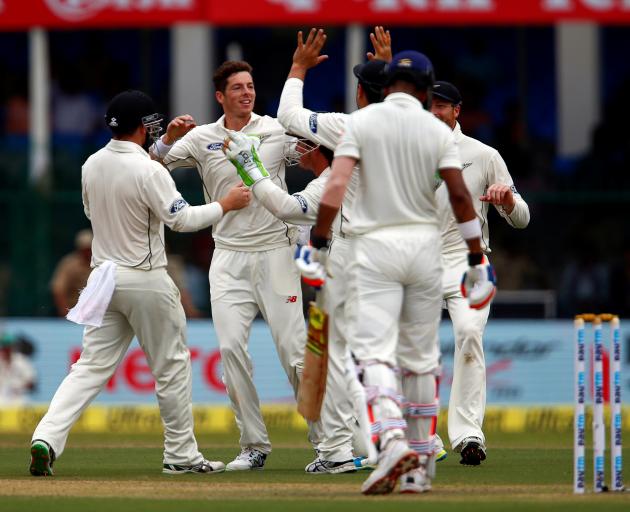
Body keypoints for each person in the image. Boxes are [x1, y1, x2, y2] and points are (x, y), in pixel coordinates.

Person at [300, 51, 495, 495]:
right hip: (426, 251)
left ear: (385, 87)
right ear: (427, 90)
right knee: (420, 358)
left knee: (371, 354)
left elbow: (334, 186)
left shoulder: (362, 125)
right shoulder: (435, 129)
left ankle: (390, 440)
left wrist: (317, 242)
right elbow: (462, 199)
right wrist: (475, 257)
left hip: (376, 248)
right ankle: (420, 464)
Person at [29, 89, 250, 477]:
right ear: (142, 126)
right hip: (145, 277)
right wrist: (225, 204)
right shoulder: (151, 170)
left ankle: (45, 437)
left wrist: (165, 146)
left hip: (103, 279)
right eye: (152, 124)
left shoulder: (91, 164)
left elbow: (91, 209)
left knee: (89, 368)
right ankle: (181, 456)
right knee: (171, 367)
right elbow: (181, 220)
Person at [150, 61, 317, 471]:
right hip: (227, 256)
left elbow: (317, 154)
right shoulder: (203, 136)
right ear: (220, 96)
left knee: (294, 353)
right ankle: (253, 445)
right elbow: (150, 168)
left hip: (276, 252)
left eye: (251, 86)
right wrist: (167, 141)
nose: (247, 93)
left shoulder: (275, 129)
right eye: (237, 88)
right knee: (229, 350)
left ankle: (327, 443)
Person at [275, 27, 391, 473]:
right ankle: (400, 440)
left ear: (360, 92)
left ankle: (340, 451)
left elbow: (288, 115)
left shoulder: (350, 126)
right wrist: (392, 66)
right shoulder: (418, 129)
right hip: (396, 255)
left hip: (350, 253)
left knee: (335, 351)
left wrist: (298, 68)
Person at [430, 81, 530, 465]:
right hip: (418, 260)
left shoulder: (483, 154)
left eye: (442, 106)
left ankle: (469, 435)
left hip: (467, 260)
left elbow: (522, 218)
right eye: (430, 106)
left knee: (470, 335)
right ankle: (417, 435)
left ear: (457, 110)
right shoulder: (410, 152)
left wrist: (507, 202)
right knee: (409, 351)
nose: (436, 112)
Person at [50, 229, 93, 316]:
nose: (88, 252)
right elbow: (58, 290)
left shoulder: (103, 263)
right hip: (75, 313)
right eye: (85, 249)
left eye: (90, 249)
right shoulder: (69, 264)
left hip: (101, 314)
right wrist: (67, 314)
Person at [0, 332, 37, 406]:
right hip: (2, 400)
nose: (4, 350)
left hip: (19, 399)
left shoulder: (22, 361)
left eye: (7, 348)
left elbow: (32, 384)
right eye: (3, 348)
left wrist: (19, 387)